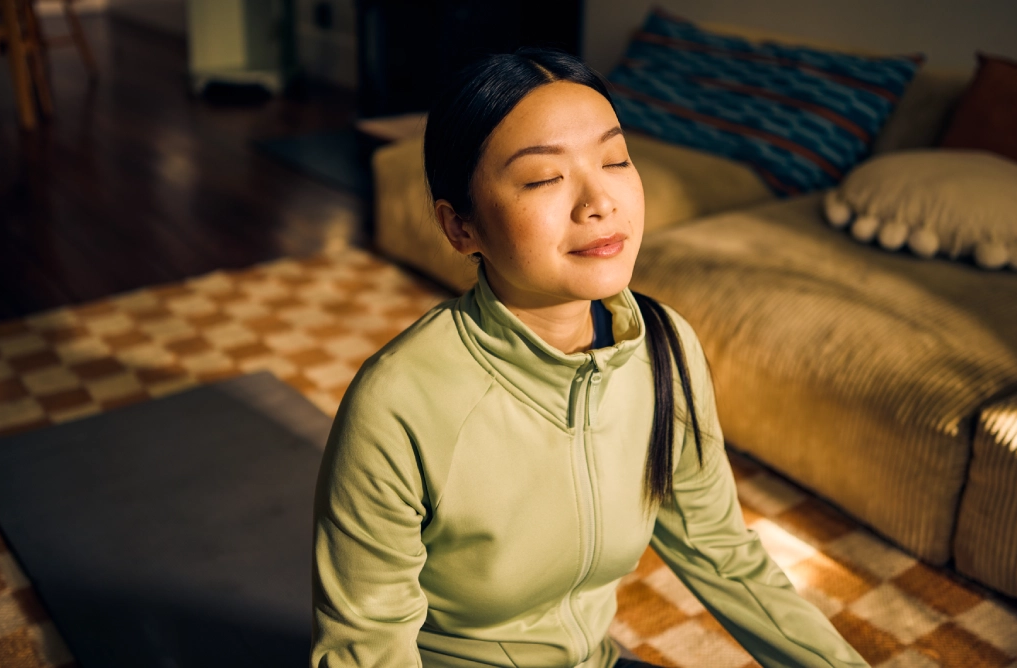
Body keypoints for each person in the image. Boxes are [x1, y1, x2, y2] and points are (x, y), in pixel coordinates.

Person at [310, 47, 869, 668]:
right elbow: (366, 648)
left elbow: (721, 551)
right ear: (460, 227)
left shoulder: (665, 348)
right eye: (544, 178)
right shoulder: (398, 403)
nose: (599, 201)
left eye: (616, 159)